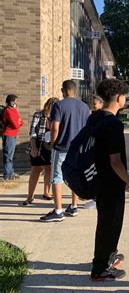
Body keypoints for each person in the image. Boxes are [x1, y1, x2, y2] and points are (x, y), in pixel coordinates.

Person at [89, 78, 129, 281]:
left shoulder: (95, 117)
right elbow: (115, 161)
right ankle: (100, 268)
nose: (125, 99)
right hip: (111, 181)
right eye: (124, 95)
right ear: (118, 97)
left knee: (105, 221)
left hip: (98, 178)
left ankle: (107, 255)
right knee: (111, 223)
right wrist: (127, 178)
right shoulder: (113, 124)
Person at [40, 80, 90, 222]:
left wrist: (53, 144)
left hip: (62, 146)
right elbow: (87, 129)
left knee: (57, 177)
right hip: (78, 149)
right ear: (75, 91)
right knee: (74, 176)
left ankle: (58, 210)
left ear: (63, 90)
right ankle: (74, 206)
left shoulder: (59, 105)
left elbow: (55, 127)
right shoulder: (85, 107)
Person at [23, 97, 59, 205]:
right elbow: (33, 132)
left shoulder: (56, 117)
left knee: (49, 169)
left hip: (49, 146)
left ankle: (46, 192)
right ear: (48, 106)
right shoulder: (38, 115)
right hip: (37, 145)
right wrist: (33, 148)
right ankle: (30, 196)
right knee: (36, 170)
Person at [84, 94, 104, 210]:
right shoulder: (93, 115)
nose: (92, 106)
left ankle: (97, 199)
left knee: (97, 175)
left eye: (95, 104)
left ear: (101, 104)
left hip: (98, 149)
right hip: (92, 149)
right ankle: (95, 197)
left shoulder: (101, 117)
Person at [2, 94, 24, 181]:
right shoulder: (8, 110)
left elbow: (21, 122)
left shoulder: (13, 110)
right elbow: (16, 124)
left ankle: (10, 172)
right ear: (11, 102)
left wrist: (19, 122)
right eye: (16, 101)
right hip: (8, 135)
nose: (17, 102)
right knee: (8, 156)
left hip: (13, 135)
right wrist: (18, 122)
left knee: (10, 155)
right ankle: (7, 175)